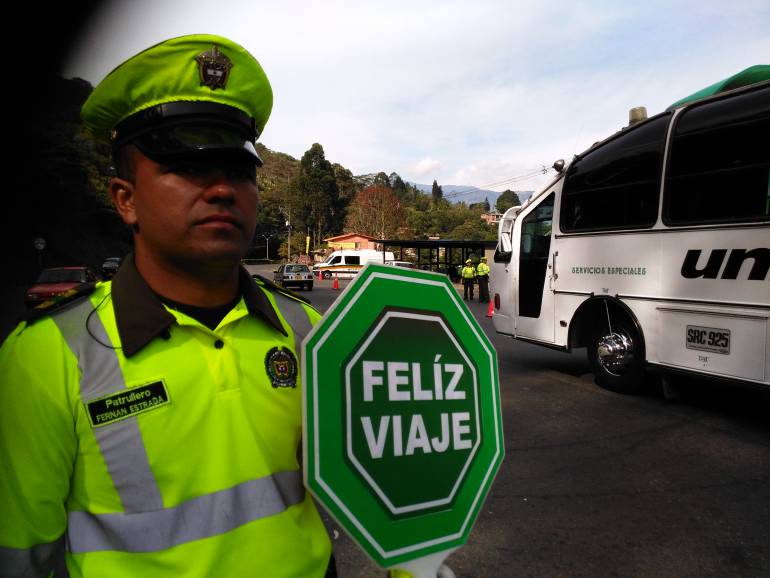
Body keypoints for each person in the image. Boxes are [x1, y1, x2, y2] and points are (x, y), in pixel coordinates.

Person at [0, 35, 333, 578]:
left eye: (239, 170)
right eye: (190, 168)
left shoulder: (310, 331)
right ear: (125, 199)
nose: (223, 190)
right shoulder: (49, 356)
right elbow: (20, 556)